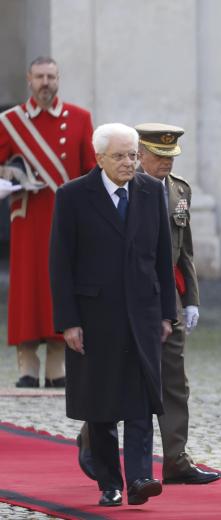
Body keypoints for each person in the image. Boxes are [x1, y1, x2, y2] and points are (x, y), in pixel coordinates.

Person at [75, 124, 219, 486]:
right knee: (119, 378)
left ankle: (175, 458)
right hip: (125, 301)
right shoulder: (124, 190)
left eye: (171, 157)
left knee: (173, 381)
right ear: (141, 154)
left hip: (166, 299)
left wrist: (191, 300)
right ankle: (93, 441)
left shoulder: (178, 190)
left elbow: (183, 249)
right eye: (158, 156)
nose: (165, 163)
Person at [49, 123, 177, 506]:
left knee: (141, 401)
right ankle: (109, 482)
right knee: (100, 405)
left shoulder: (152, 191)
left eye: (134, 155)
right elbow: (60, 264)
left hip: (142, 313)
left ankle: (140, 477)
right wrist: (68, 321)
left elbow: (162, 258)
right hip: (94, 316)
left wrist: (167, 314)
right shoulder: (72, 196)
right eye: (120, 156)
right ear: (99, 157)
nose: (129, 163)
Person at [0, 56, 96, 388]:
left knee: (61, 287)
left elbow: (90, 173)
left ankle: (57, 365)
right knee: (27, 291)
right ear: (29, 79)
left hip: (66, 220)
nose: (46, 83)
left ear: (58, 79)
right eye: (40, 76)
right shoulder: (9, 122)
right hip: (28, 219)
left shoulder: (81, 119)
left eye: (51, 77)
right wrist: (11, 176)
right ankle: (27, 365)